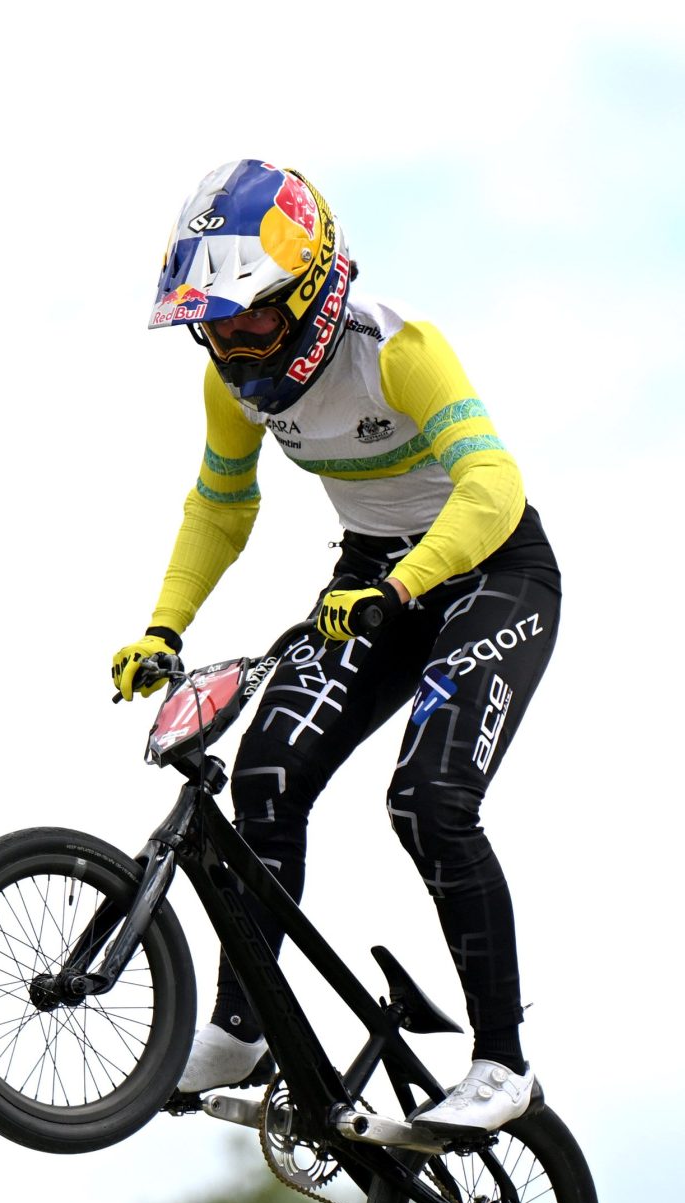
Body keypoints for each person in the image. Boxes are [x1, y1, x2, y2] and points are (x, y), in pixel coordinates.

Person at [113, 159, 561, 1135]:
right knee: (265, 769)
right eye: (213, 326)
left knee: (427, 801)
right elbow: (220, 507)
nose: (231, 346)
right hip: (374, 580)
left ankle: (501, 1065)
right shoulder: (228, 386)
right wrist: (163, 626)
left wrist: (402, 586)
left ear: (310, 294)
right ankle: (239, 1027)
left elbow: (492, 489)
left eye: (250, 320)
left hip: (489, 572)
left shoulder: (399, 350)